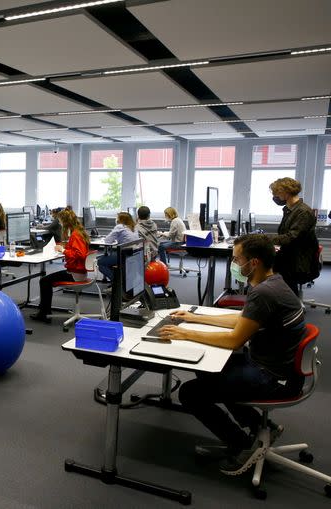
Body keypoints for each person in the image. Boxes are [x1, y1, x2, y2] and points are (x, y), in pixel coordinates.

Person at [158, 234, 305, 476]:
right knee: (207, 369)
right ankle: (260, 425)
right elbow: (244, 319)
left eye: (237, 259)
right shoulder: (275, 282)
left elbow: (235, 339)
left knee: (190, 393)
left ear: (254, 263)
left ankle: (243, 445)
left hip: (272, 378)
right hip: (280, 369)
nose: (234, 264)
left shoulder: (264, 293)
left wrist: (186, 334)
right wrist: (196, 317)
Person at [29, 209, 89, 323]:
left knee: (44, 281)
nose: (60, 224)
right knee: (46, 280)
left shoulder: (76, 235)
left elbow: (80, 255)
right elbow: (77, 250)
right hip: (80, 272)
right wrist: (64, 247)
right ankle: (44, 312)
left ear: (65, 222)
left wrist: (63, 250)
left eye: (61, 221)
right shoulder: (78, 232)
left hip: (75, 274)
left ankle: (44, 314)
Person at [268, 177, 319, 296]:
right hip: (291, 255)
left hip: (298, 262)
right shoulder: (290, 209)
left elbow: (292, 237)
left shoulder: (303, 212)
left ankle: (288, 307)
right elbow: (285, 235)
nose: (275, 197)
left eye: (277, 193)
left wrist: (265, 238)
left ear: (286, 193)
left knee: (263, 267)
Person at [97, 212, 139, 281]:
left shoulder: (120, 226)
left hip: (124, 255)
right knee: (109, 260)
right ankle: (116, 282)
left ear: (121, 220)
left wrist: (113, 238)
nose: (116, 219)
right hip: (134, 254)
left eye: (117, 218)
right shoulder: (134, 227)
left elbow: (107, 241)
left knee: (100, 262)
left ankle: (116, 282)